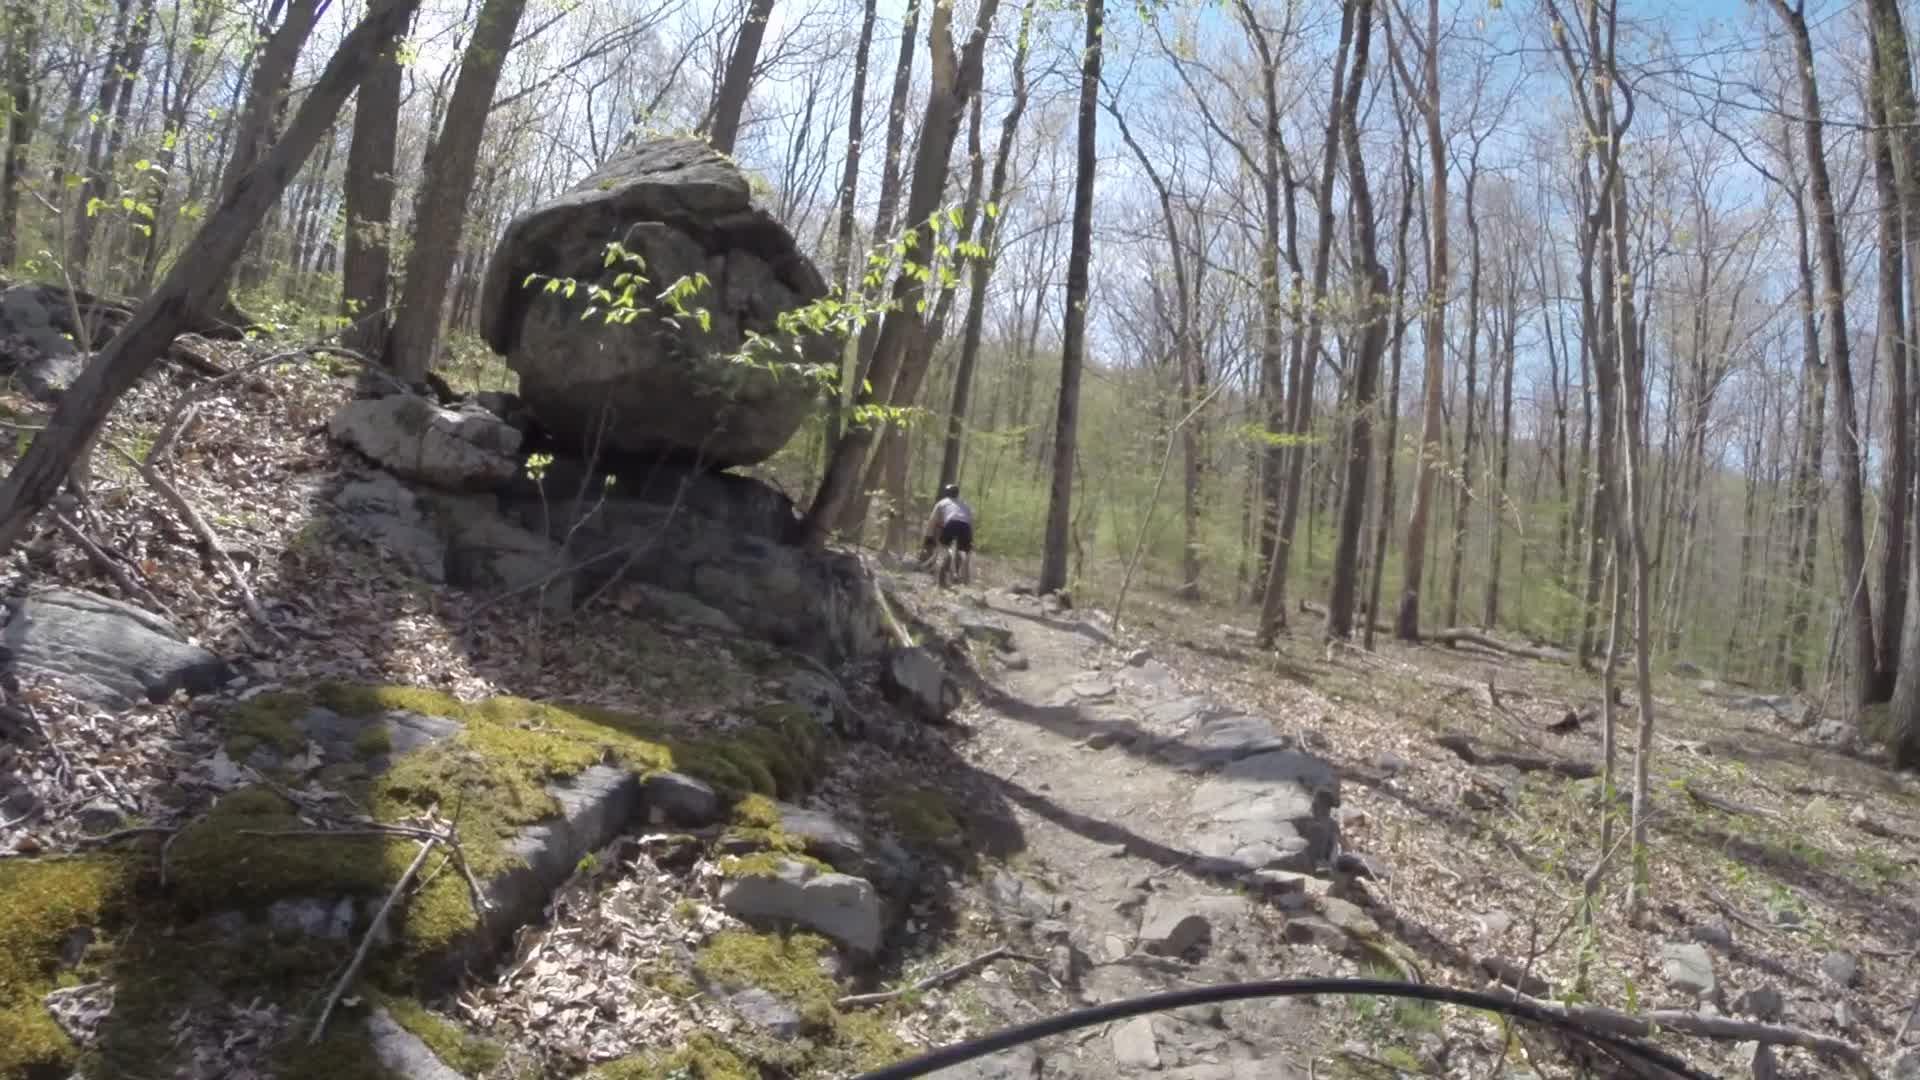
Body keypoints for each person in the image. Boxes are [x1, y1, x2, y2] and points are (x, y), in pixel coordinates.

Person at [920, 483, 974, 585]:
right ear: (957, 494)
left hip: (951, 524)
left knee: (944, 548)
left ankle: (941, 578)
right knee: (962, 552)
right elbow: (970, 521)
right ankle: (959, 575)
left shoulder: (943, 502)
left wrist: (929, 536)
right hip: (965, 527)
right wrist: (971, 538)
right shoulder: (964, 504)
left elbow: (932, 520)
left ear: (946, 493)